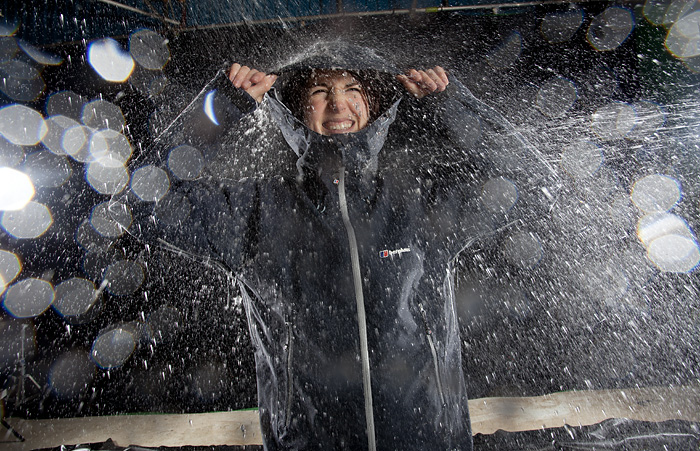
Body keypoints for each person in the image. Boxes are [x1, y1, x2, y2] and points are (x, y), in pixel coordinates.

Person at [118, 42, 556, 450]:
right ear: (296, 109)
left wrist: (452, 107)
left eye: (353, 90)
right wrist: (221, 109)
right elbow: (138, 206)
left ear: (374, 108)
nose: (339, 103)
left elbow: (534, 186)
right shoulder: (256, 212)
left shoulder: (419, 207)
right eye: (321, 91)